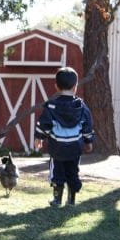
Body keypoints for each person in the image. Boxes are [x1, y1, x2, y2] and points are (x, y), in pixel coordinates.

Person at [33, 67, 95, 207]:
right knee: (73, 172)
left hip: (57, 149)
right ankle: (71, 199)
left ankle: (57, 199)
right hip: (75, 148)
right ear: (75, 87)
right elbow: (87, 126)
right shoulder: (81, 107)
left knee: (57, 172)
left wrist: (39, 138)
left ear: (56, 86)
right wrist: (89, 141)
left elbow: (44, 124)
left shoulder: (51, 106)